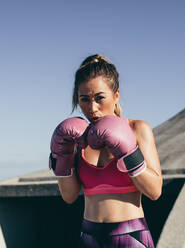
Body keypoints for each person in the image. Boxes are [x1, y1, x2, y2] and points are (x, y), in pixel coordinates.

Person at [49, 54, 162, 247]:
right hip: (90, 236)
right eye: (84, 99)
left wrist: (128, 152)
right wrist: (62, 154)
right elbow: (69, 197)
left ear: (116, 95)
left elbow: (154, 191)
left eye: (100, 98)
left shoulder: (137, 129)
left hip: (130, 236)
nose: (92, 108)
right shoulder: (77, 138)